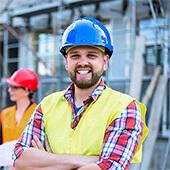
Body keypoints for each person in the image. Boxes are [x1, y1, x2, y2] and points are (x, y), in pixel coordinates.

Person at [13, 17, 148, 170]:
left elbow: (110, 166)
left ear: (105, 62)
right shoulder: (47, 105)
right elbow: (19, 160)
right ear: (66, 62)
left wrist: (48, 161)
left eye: (91, 55)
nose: (83, 62)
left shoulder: (125, 108)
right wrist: (85, 161)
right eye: (75, 55)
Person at [0, 68, 39, 144]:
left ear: (27, 91)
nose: (9, 90)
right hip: (5, 155)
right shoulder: (5, 114)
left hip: (28, 155)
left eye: (14, 87)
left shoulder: (38, 113)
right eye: (10, 86)